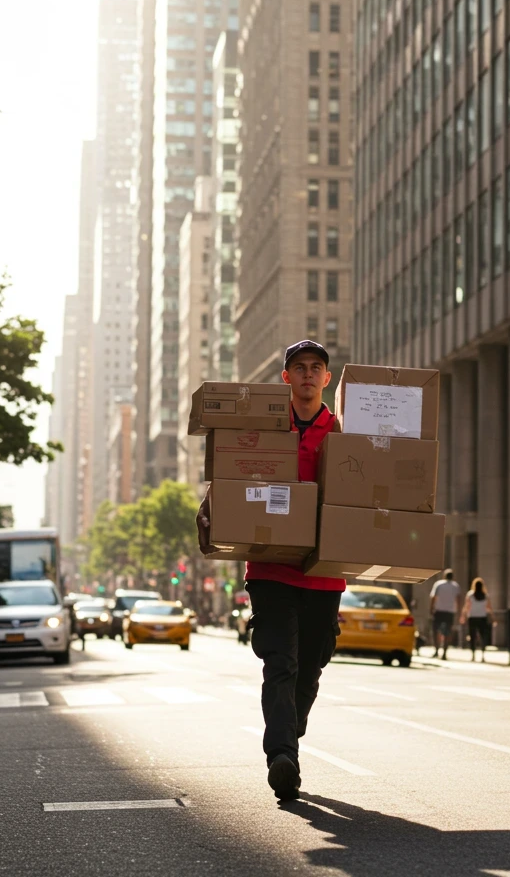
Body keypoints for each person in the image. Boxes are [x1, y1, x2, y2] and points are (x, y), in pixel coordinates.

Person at [197, 340, 344, 801]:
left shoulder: (341, 433)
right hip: (270, 567)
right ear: (286, 377)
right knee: (280, 661)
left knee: (311, 667)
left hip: (323, 571)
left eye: (315, 368)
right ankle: (282, 756)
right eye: (298, 368)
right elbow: (230, 473)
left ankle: (290, 735)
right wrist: (211, 507)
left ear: (326, 379)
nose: (306, 375)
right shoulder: (261, 428)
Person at [428, 569, 462, 659]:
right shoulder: (455, 586)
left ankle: (436, 650)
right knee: (447, 632)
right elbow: (458, 599)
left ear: (444, 576)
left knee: (436, 630)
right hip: (450, 612)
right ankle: (444, 653)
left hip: (439, 611)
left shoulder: (439, 584)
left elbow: (433, 597)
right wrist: (458, 611)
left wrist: (431, 608)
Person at [459, 578, 493, 661]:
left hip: (472, 617)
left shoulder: (470, 595)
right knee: (482, 637)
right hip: (482, 617)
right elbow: (489, 608)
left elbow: (466, 607)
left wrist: (463, 616)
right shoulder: (485, 595)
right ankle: (483, 655)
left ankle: (473, 655)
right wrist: (492, 617)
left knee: (472, 636)